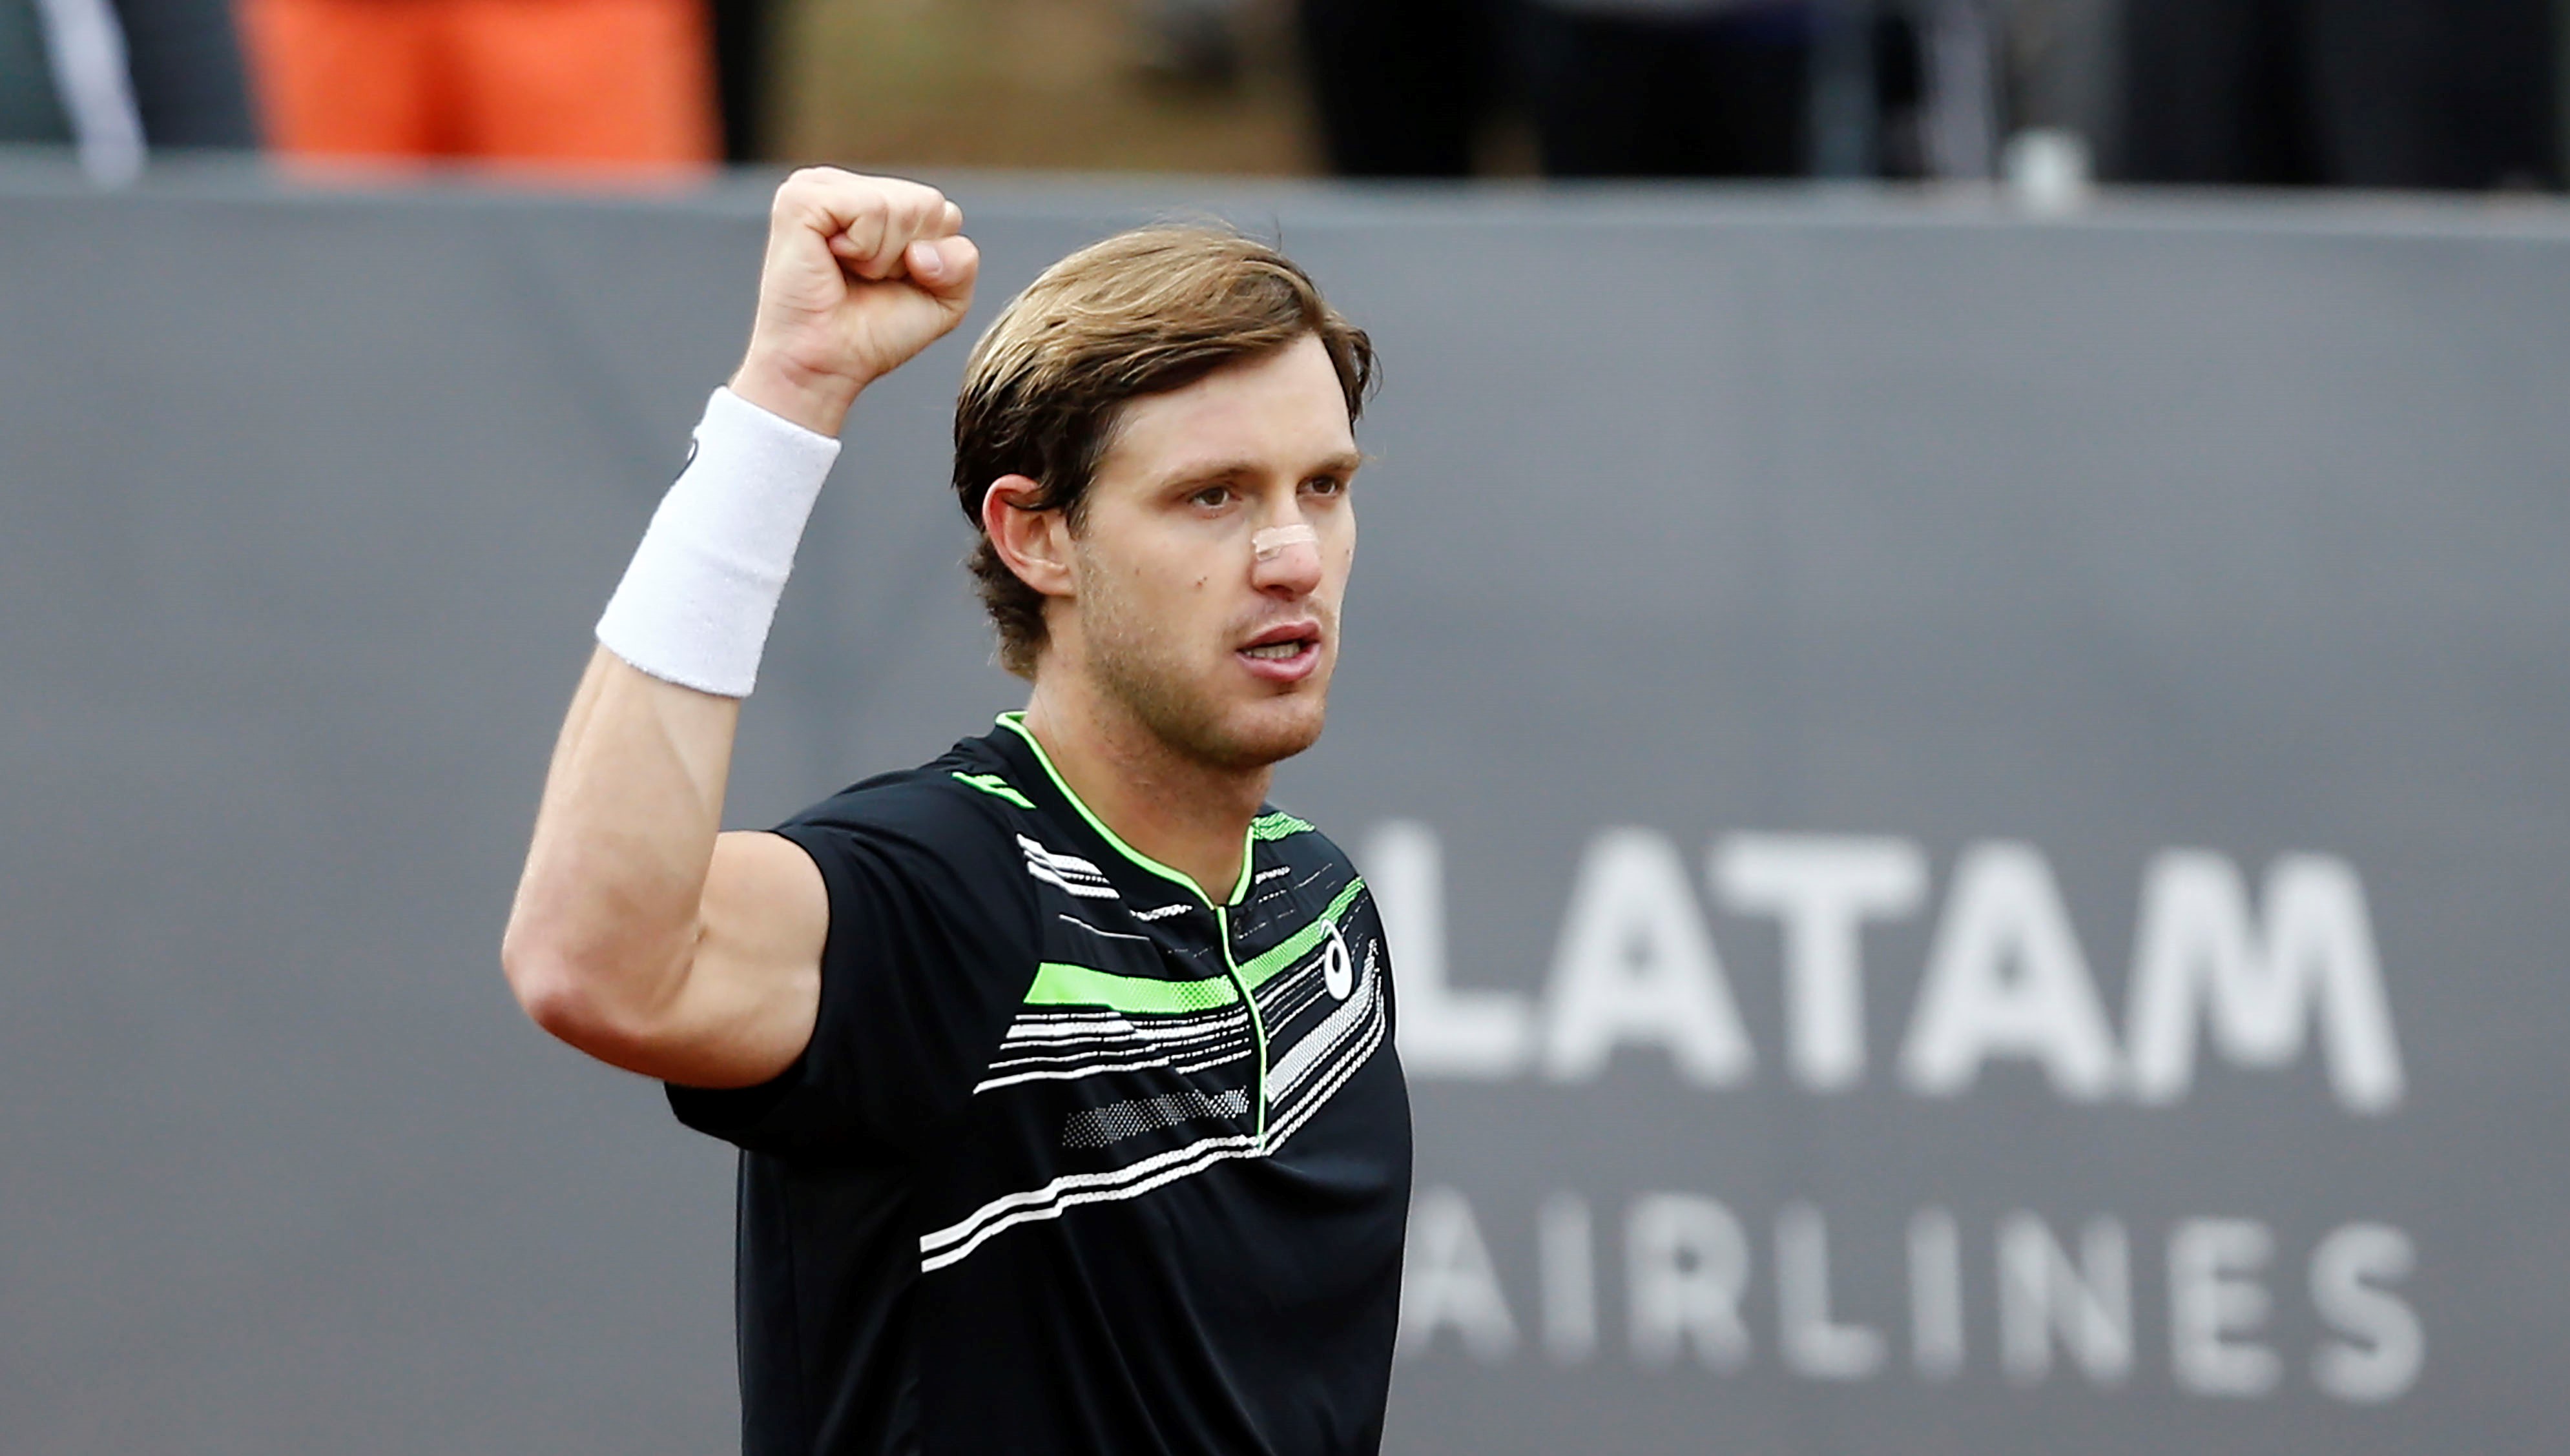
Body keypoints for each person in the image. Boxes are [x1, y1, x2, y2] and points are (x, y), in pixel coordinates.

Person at [501, 170, 1412, 1455]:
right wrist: (787, 397)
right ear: (1036, 537)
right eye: (1212, 495)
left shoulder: (1321, 909)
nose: (1295, 556)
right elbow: (592, 963)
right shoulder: (957, 890)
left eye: (1321, 486)